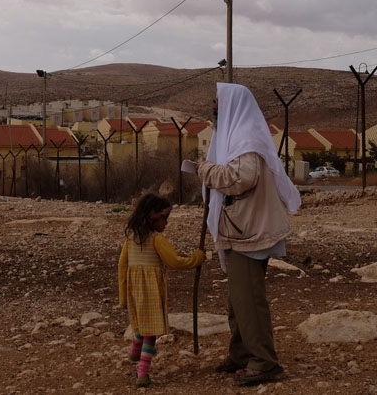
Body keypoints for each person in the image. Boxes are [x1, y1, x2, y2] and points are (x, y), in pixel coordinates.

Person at [194, 82, 301, 386]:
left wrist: (206, 171)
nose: (213, 106)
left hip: (249, 229)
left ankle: (264, 361)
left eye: (217, 101)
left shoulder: (246, 137)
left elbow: (242, 177)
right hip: (241, 227)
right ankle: (241, 354)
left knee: (249, 298)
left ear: (232, 103)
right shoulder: (235, 134)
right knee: (237, 299)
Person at [118, 193, 205, 388]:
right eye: (164, 219)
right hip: (150, 293)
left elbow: (122, 265)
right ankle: (142, 373)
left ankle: (134, 351)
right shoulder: (157, 240)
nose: (166, 224)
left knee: (140, 324)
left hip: (135, 291)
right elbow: (174, 261)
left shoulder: (131, 237)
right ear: (152, 217)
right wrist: (197, 258)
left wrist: (123, 295)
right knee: (151, 334)